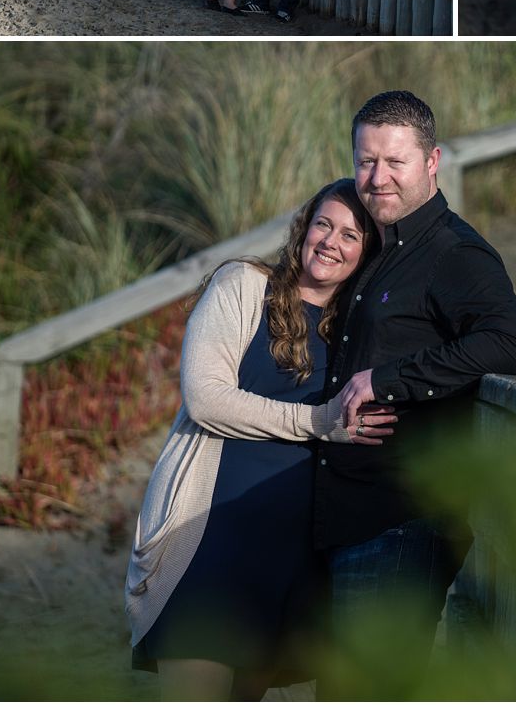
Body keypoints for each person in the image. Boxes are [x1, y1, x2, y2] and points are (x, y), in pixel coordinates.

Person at [125, 178, 397, 701]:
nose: (331, 242)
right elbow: (205, 397)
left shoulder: (356, 331)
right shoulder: (245, 285)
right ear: (303, 228)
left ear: (367, 254)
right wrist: (320, 422)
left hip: (293, 557)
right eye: (324, 224)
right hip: (210, 540)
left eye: (350, 235)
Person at [313, 90, 516, 699]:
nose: (376, 177)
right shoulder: (380, 245)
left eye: (394, 162)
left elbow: (507, 344)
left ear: (432, 160)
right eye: (365, 161)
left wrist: (387, 380)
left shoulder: (455, 254)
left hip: (400, 523)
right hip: (349, 518)